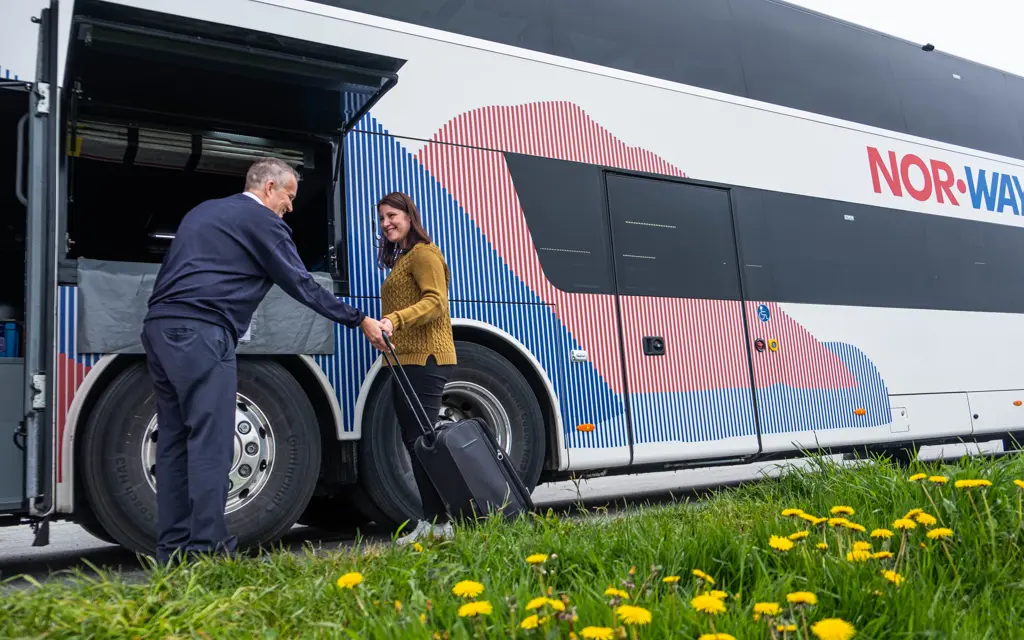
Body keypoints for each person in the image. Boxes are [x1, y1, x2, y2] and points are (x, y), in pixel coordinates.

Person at [141, 157, 387, 564]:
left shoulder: (204, 211)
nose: (290, 207)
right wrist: (359, 319)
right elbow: (302, 284)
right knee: (211, 442)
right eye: (288, 197)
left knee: (172, 444)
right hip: (203, 332)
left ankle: (171, 553)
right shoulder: (263, 222)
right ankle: (209, 553)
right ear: (269, 187)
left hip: (160, 328)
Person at [375, 192, 458, 544]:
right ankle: (433, 521)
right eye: (381, 219)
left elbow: (436, 303)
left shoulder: (424, 254)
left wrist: (394, 320)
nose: (386, 223)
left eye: (392, 215)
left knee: (423, 442)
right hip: (406, 359)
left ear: (410, 216)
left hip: (427, 357)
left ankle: (442, 524)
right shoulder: (403, 258)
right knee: (416, 443)